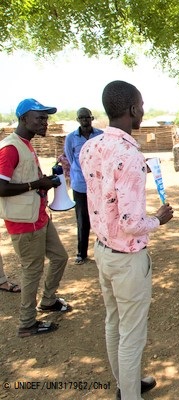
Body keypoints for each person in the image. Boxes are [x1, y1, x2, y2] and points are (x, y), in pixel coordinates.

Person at [80, 80, 173, 400]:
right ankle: (129, 395)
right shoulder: (130, 155)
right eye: (142, 106)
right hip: (128, 257)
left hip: (103, 250)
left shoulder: (89, 147)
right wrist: (158, 220)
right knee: (132, 335)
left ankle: (125, 384)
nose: (143, 111)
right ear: (133, 109)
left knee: (114, 322)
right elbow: (132, 223)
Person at [0, 98, 70, 338]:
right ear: (23, 119)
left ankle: (48, 300)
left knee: (60, 257)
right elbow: (1, 187)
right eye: (39, 118)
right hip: (23, 223)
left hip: (38, 217)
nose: (45, 122)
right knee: (32, 271)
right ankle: (27, 323)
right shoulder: (10, 148)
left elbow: (26, 181)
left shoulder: (25, 144)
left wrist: (46, 182)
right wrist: (36, 184)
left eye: (46, 118)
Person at [64, 107, 103, 265]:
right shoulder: (71, 138)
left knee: (102, 217)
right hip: (80, 185)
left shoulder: (101, 135)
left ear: (92, 118)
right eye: (81, 118)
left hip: (100, 185)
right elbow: (70, 158)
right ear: (78, 120)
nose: (85, 120)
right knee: (82, 220)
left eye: (87, 117)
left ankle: (103, 249)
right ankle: (81, 253)